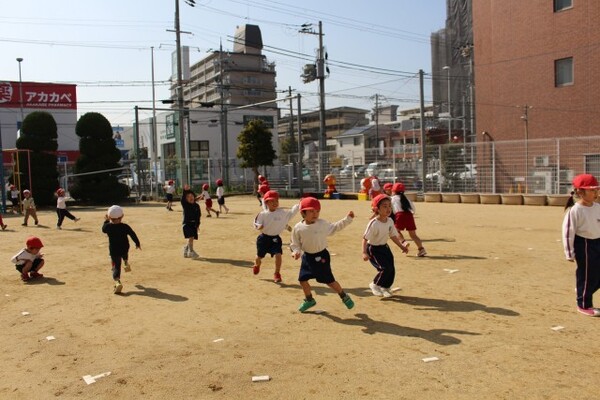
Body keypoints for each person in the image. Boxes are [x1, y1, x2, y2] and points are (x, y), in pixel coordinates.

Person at [290, 197, 355, 313]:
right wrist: (296, 252)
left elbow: (335, 227)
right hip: (307, 258)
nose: (315, 214)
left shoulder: (322, 224)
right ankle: (309, 300)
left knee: (329, 281)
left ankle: (344, 296)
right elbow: (295, 243)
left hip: (322, 257)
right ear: (303, 213)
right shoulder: (298, 228)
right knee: (302, 280)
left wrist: (347, 219)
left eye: (317, 211)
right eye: (311, 211)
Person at [562, 174, 600, 317]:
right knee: (587, 275)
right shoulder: (575, 210)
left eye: (597, 189)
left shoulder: (598, 207)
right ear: (580, 192)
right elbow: (568, 232)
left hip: (598, 242)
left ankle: (582, 290)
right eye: (592, 190)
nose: (596, 193)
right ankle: (584, 305)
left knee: (596, 275)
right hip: (584, 245)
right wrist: (569, 253)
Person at [363, 194, 409, 297]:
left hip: (384, 248)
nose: (388, 209)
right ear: (377, 209)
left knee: (391, 268)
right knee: (384, 268)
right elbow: (365, 238)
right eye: (384, 206)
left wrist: (402, 246)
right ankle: (375, 284)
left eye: (389, 206)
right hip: (373, 249)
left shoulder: (390, 221)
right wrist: (364, 252)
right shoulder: (373, 223)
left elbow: (393, 236)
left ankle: (385, 288)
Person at [253, 190, 299, 283]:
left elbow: (291, 213)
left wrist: (299, 204)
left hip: (275, 239)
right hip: (263, 239)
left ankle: (277, 273)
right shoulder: (263, 214)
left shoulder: (282, 213)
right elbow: (255, 223)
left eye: (276, 201)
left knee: (278, 255)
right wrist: (258, 226)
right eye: (272, 201)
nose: (275, 203)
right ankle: (257, 265)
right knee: (259, 257)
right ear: (266, 202)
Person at [102, 205, 141, 294]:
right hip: (124, 247)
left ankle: (117, 281)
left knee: (116, 266)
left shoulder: (108, 227)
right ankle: (126, 262)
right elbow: (132, 234)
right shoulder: (125, 226)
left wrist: (106, 220)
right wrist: (137, 243)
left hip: (114, 250)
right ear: (122, 216)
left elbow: (103, 229)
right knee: (124, 253)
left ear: (109, 217)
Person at [391, 182, 426, 257]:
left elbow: (390, 209)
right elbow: (413, 209)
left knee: (396, 231)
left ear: (393, 191)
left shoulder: (392, 199)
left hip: (399, 215)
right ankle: (421, 249)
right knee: (413, 235)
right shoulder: (406, 198)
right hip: (409, 215)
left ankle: (403, 242)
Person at [181, 185, 201, 259]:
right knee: (191, 237)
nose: (190, 197)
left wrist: (197, 225)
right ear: (185, 199)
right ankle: (191, 252)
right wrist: (185, 191)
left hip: (193, 224)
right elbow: (183, 198)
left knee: (191, 238)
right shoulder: (185, 205)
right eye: (188, 197)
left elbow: (198, 216)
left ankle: (186, 249)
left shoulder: (197, 206)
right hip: (187, 224)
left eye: (192, 196)